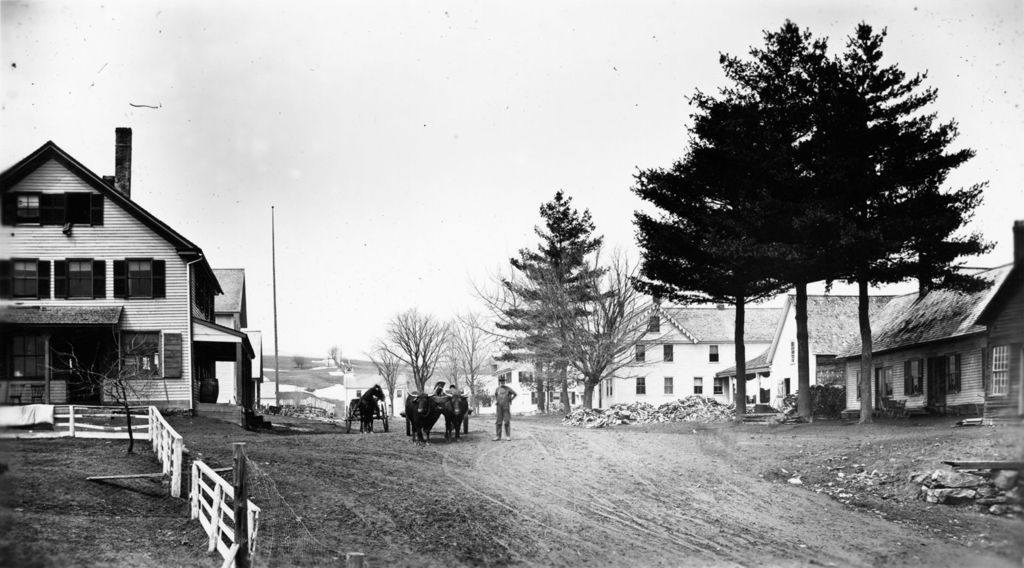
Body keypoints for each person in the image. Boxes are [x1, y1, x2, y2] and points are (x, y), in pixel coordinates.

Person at [493, 376, 517, 441]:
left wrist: (510, 400)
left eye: (503, 381)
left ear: (505, 382)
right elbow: (495, 395)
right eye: (501, 381)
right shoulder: (497, 389)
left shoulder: (508, 389)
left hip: (506, 406)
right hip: (499, 407)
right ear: (499, 382)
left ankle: (508, 436)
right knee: (498, 421)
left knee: (506, 421)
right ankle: (498, 436)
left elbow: (515, 394)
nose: (502, 382)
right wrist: (497, 401)